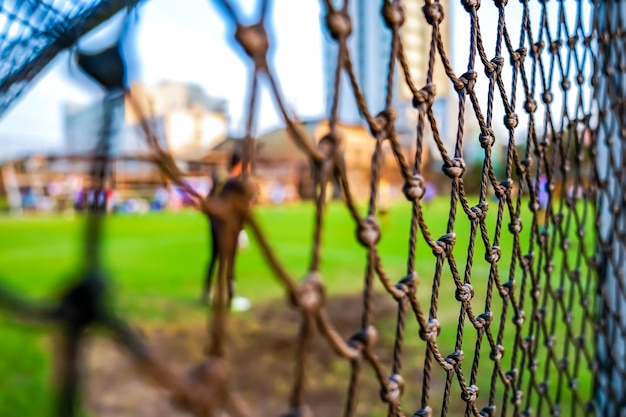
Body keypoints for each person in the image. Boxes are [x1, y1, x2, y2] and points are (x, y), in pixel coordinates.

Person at [203, 152, 251, 310]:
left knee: (215, 257)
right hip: (227, 227)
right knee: (229, 260)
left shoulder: (220, 179)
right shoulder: (234, 183)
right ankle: (230, 296)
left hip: (215, 224)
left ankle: (208, 293)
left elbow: (209, 202)